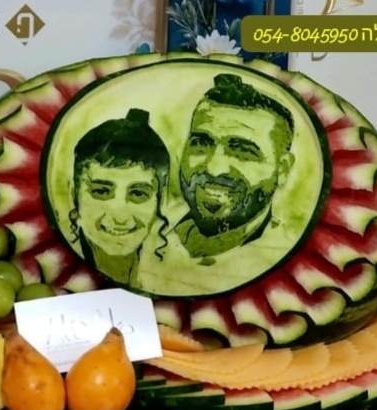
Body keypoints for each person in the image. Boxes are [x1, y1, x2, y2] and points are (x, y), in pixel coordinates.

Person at [164, 72, 296, 260]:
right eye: (201, 144)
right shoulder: (155, 244)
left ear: (282, 169)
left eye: (242, 152)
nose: (214, 169)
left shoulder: (285, 257)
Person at [67, 108, 171, 287]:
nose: (120, 217)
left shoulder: (174, 279)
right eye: (101, 192)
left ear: (159, 200)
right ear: (74, 195)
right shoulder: (59, 274)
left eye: (138, 194)